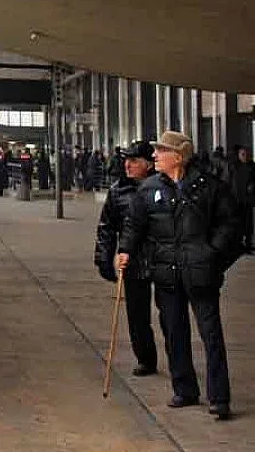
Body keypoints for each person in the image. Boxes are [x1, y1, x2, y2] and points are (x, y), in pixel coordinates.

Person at [118, 131, 238, 420]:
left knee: (211, 336)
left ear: (179, 156)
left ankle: (219, 397)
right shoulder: (148, 189)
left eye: (161, 151)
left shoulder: (210, 188)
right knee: (174, 332)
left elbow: (231, 226)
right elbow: (134, 225)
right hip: (167, 273)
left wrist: (212, 256)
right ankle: (185, 389)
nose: (155, 155)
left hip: (200, 274)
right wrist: (125, 250)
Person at [94, 141, 157, 376]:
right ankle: (146, 358)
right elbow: (106, 228)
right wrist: (104, 259)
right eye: (126, 161)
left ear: (149, 165)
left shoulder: (162, 188)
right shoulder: (117, 191)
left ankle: (179, 362)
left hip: (162, 260)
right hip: (132, 261)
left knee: (170, 316)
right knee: (137, 314)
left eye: (134, 161)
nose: (128, 165)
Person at [228, 146, 255, 252]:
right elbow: (228, 181)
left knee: (248, 223)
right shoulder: (234, 167)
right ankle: (238, 244)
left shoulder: (252, 166)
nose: (245, 157)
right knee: (238, 223)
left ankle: (248, 243)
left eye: (247, 154)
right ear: (238, 155)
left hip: (248, 199)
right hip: (236, 199)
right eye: (243, 154)